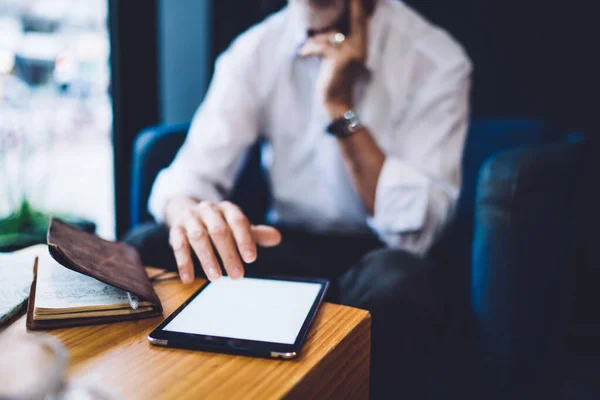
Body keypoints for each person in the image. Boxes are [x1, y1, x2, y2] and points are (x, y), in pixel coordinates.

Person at [125, 0, 472, 397]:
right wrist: (189, 213)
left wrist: (339, 106)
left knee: (399, 281)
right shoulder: (256, 49)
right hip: (284, 245)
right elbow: (189, 176)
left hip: (379, 252)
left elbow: (414, 230)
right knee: (148, 243)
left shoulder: (434, 57)